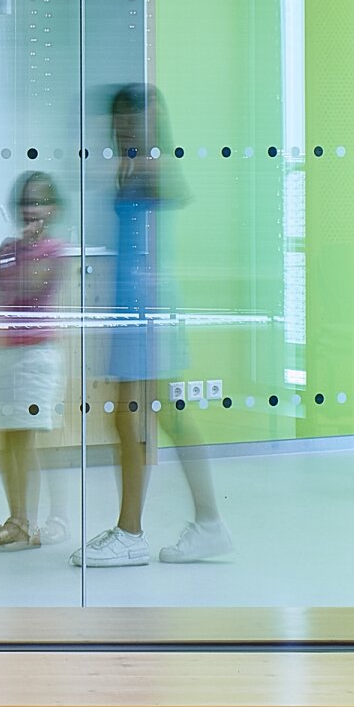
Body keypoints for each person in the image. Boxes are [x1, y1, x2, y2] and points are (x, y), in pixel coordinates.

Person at [79, 85, 231, 568]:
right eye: (120, 119)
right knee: (135, 417)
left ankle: (144, 530)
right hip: (132, 304)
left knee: (145, 417)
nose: (125, 127)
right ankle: (185, 525)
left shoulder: (152, 164)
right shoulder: (129, 163)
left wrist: (145, 152)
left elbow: (172, 191)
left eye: (135, 119)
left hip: (147, 305)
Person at [0, 169, 70, 552]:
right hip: (5, 351)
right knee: (8, 435)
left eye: (39, 201)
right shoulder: (7, 249)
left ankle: (52, 518)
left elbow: (30, 286)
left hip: (37, 355)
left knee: (33, 437)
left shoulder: (54, 250)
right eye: (24, 202)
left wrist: (12, 256)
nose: (30, 209)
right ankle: (18, 518)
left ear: (52, 208)